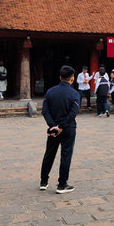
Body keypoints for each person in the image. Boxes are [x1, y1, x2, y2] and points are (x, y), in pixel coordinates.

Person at [40, 65, 80, 194]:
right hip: (68, 129)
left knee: (49, 154)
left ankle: (43, 182)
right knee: (65, 155)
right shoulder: (74, 93)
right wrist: (61, 127)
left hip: (53, 128)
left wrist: (53, 126)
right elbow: (73, 113)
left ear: (60, 77)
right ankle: (62, 184)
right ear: (72, 79)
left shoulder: (50, 92)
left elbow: (45, 111)